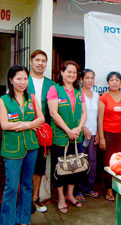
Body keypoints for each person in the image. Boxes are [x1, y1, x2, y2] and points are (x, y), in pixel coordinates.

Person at [0, 65, 45, 225]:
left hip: (31, 146)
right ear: (11, 80)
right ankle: (7, 221)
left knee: (27, 185)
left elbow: (41, 119)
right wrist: (30, 124)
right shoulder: (3, 100)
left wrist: (25, 125)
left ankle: (24, 219)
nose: (22, 82)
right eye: (18, 78)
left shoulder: (31, 98)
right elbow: (4, 124)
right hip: (12, 149)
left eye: (25, 78)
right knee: (11, 187)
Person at [47, 60, 87, 214]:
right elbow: (53, 113)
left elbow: (84, 112)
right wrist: (67, 130)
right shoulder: (54, 89)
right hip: (61, 136)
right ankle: (61, 198)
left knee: (75, 166)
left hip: (77, 135)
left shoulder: (79, 91)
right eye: (68, 71)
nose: (71, 74)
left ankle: (70, 194)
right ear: (62, 72)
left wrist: (78, 128)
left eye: (74, 72)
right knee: (60, 168)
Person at [28, 49, 54, 213]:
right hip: (24, 132)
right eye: (37, 60)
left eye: (43, 61)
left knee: (38, 167)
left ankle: (35, 199)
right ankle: (23, 200)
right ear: (31, 62)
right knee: (22, 167)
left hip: (42, 134)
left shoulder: (50, 84)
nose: (40, 63)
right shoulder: (23, 79)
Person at [98, 71, 121, 201]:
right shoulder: (103, 98)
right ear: (108, 83)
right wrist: (101, 137)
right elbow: (100, 119)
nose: (114, 82)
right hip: (108, 134)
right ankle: (108, 189)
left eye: (117, 80)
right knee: (108, 162)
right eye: (111, 80)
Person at [75, 69, 100, 201]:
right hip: (81, 133)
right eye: (87, 78)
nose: (90, 80)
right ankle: (78, 190)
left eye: (92, 78)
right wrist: (83, 127)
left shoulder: (96, 95)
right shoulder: (77, 94)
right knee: (80, 161)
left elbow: (98, 116)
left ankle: (88, 188)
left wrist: (98, 133)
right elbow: (75, 114)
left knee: (92, 162)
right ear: (81, 80)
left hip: (93, 133)